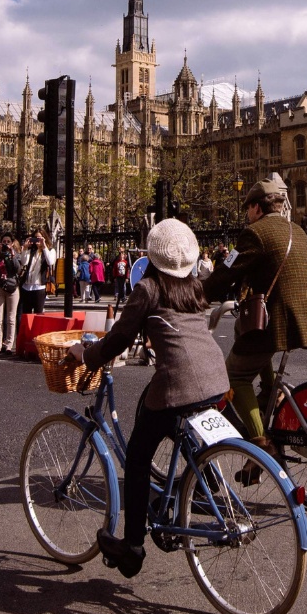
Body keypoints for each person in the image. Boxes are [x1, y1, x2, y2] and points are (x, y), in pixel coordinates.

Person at [70, 218, 230, 579]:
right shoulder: (194, 288)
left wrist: (88, 357)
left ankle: (132, 547)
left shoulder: (148, 288)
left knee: (139, 458)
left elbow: (119, 338)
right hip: (215, 377)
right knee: (170, 421)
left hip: (179, 382)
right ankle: (195, 483)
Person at [204, 174, 307, 450]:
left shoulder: (255, 233)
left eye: (248, 208)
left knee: (235, 376)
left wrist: (197, 296)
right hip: (304, 316)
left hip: (277, 319)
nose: (247, 214)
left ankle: (261, 444)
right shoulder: (296, 229)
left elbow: (227, 273)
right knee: (257, 350)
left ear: (258, 208)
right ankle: (275, 394)